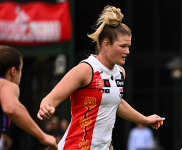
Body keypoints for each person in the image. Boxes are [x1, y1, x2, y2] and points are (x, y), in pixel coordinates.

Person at [37, 5, 165, 150]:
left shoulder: (120, 72)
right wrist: (45, 107)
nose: (128, 51)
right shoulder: (86, 69)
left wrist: (145, 119)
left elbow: (116, 102)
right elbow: (50, 99)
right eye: (123, 46)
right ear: (106, 44)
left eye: (129, 46)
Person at [0, 45, 58, 150]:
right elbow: (11, 108)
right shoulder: (7, 84)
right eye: (21, 69)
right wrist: (43, 136)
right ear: (13, 71)